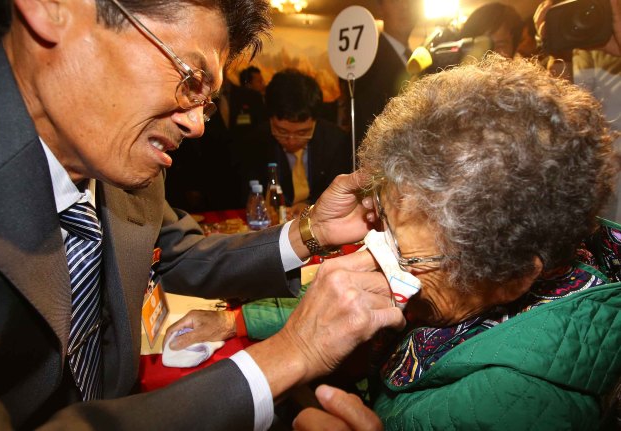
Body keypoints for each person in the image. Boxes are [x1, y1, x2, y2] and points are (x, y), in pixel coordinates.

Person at [0, 0, 406, 429]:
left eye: (209, 101)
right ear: (55, 8)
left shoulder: (118, 156)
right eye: (190, 78)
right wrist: (288, 355)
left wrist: (311, 232)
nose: (197, 125)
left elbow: (175, 255)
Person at [174, 56, 621, 430]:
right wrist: (238, 322)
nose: (379, 257)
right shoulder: (456, 270)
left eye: (403, 254)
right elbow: (350, 296)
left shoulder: (516, 401)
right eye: (381, 221)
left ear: (510, 279)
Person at [535, 0, 621, 223]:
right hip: (599, 179)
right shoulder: (583, 32)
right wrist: (555, 46)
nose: (586, 14)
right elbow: (563, 115)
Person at [239, 69, 352, 214]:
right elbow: (249, 192)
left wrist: (312, 208)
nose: (291, 141)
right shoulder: (256, 142)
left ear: (315, 121)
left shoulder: (335, 141)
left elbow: (340, 194)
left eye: (302, 133)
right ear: (270, 119)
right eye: (282, 131)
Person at [339, 0, 420, 144]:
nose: (405, 6)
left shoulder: (418, 58)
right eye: (396, 1)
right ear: (380, 8)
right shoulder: (367, 60)